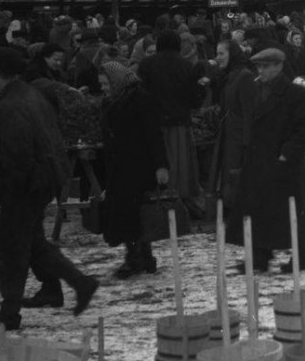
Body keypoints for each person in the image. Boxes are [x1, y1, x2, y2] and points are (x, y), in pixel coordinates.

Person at [0, 47, 98, 333]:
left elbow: (19, 152)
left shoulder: (11, 104)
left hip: (27, 182)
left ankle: (9, 312)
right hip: (43, 177)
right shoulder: (28, 94)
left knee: (16, 247)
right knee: (31, 243)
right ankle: (80, 283)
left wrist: (11, 189)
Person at [225, 47, 305, 272]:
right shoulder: (256, 90)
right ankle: (259, 257)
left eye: (266, 66)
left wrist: (287, 151)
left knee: (294, 211)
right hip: (259, 160)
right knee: (257, 208)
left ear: (279, 66)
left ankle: (303, 257)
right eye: (259, 66)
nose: (261, 70)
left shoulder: (295, 94)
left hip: (284, 164)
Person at [98, 60, 170, 277]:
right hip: (120, 167)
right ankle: (140, 255)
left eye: (106, 84)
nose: (103, 88)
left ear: (117, 81)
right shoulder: (115, 100)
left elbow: (153, 134)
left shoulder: (140, 100)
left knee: (134, 213)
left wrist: (161, 166)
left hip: (138, 167)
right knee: (127, 213)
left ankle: (138, 257)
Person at [138, 29, 206, 220]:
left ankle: (155, 203)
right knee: (179, 167)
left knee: (155, 163)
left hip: (152, 125)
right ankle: (177, 204)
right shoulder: (186, 66)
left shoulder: (146, 64)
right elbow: (195, 100)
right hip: (179, 125)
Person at [208, 39, 256, 210]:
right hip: (230, 139)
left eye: (221, 53)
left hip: (238, 142)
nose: (217, 57)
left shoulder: (244, 76)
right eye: (217, 53)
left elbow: (249, 113)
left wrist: (246, 145)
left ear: (232, 54)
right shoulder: (231, 76)